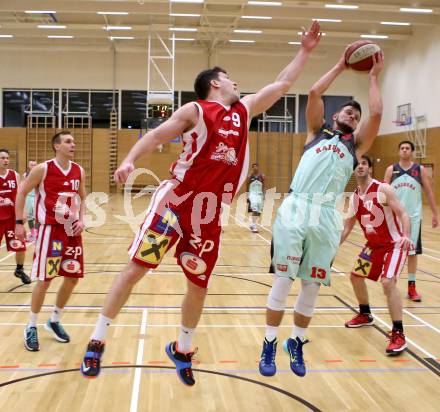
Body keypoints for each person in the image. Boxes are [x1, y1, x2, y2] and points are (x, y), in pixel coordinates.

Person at [80, 22, 322, 385]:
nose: (237, 83)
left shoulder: (244, 109)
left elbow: (283, 83)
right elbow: (158, 134)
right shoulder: (195, 110)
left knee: (199, 284)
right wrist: (130, 159)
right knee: (136, 269)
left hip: (209, 213)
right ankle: (97, 340)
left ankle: (182, 348)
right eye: (231, 78)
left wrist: (304, 51)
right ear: (215, 83)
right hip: (177, 201)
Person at [259, 49, 384, 378]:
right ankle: (270, 342)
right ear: (334, 116)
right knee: (284, 280)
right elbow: (314, 92)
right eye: (348, 112)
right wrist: (341, 65)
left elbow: (378, 113)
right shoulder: (316, 133)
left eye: (356, 116)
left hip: (327, 215)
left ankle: (296, 344)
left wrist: (373, 78)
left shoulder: (354, 147)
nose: (353, 117)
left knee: (311, 287)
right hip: (298, 206)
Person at [15, 131, 86, 352]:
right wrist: (19, 222)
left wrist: (82, 219)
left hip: (72, 231)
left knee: (72, 278)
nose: (73, 144)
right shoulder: (43, 169)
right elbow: (22, 191)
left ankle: (54, 320)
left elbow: (83, 197)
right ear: (57, 146)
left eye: (73, 141)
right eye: (68, 141)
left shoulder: (78, 170)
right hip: (50, 232)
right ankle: (31, 326)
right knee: (45, 280)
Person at [341, 155, 410, 355]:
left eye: (364, 163)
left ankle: (399, 333)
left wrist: (406, 235)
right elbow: (347, 228)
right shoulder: (355, 196)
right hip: (373, 246)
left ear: (370, 168)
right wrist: (331, 248)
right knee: (355, 277)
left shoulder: (383, 189)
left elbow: (403, 213)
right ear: (353, 170)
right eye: (357, 164)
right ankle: (365, 314)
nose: (360, 166)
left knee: (388, 282)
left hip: (394, 244)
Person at [384, 140, 438, 302]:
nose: (405, 150)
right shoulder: (391, 170)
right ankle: (390, 281)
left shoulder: (418, 169)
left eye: (408, 148)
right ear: (399, 151)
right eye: (402, 148)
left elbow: (428, 192)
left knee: (412, 253)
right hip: (394, 218)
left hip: (413, 218)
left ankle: (411, 287)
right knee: (392, 250)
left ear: (412, 152)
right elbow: (382, 194)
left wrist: (435, 214)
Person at [0, 149, 30, 284]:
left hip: (13, 218)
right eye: (2, 158)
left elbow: (20, 195)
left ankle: (19, 269)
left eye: (7, 158)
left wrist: (22, 212)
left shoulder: (15, 175)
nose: (6, 160)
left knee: (20, 246)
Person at [247, 163, 265, 233]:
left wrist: (264, 195)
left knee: (259, 212)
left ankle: (252, 224)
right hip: (252, 194)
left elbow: (264, 186)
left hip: (260, 195)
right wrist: (247, 195)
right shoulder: (249, 176)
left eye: (256, 166)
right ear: (252, 168)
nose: (255, 168)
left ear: (258, 167)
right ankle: (254, 226)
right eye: (253, 167)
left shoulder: (262, 176)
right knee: (255, 209)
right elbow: (247, 186)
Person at [23, 160, 38, 242]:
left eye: (35, 165)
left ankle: (37, 233)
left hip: (36, 197)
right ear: (29, 166)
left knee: (38, 217)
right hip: (28, 197)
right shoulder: (25, 175)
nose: (33, 166)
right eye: (32, 165)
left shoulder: (40, 175)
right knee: (29, 218)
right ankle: (33, 233)